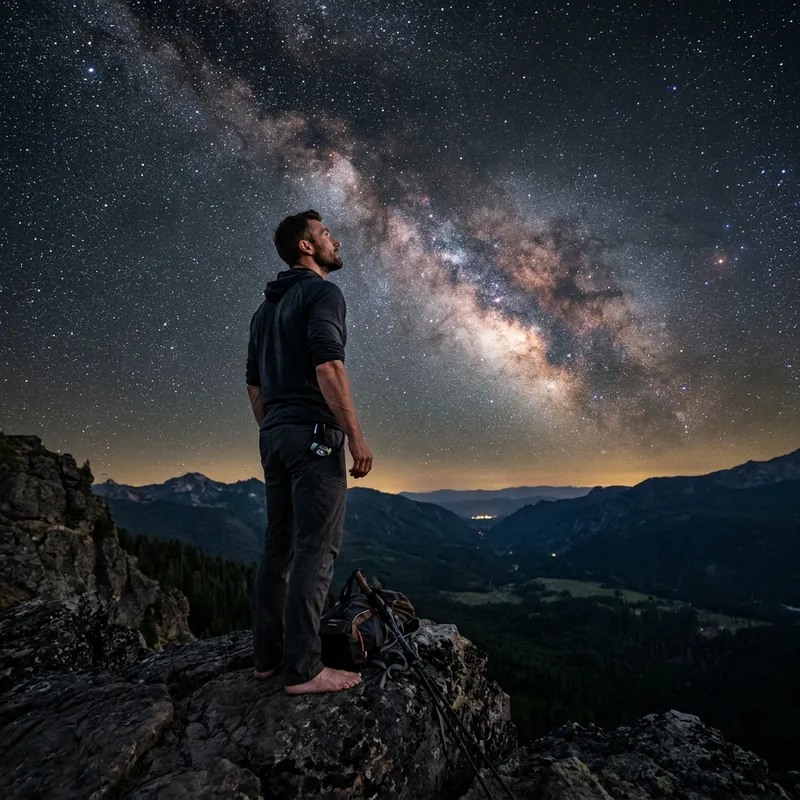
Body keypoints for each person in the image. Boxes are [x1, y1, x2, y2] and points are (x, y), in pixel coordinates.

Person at [246, 209, 373, 695]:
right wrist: (355, 435)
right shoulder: (323, 292)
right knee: (316, 550)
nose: (334, 240)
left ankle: (268, 659)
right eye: (325, 234)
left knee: (278, 548)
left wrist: (276, 428)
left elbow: (254, 385)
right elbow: (328, 366)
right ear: (306, 246)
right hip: (314, 435)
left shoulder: (264, 312)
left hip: (275, 436)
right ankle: (304, 669)